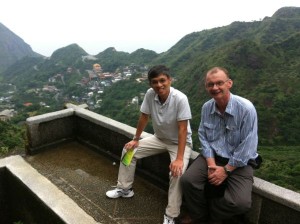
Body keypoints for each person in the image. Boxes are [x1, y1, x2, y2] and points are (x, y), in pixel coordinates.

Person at [106, 65, 193, 224]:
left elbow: (183, 129)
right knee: (128, 151)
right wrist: (136, 139)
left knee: (177, 172)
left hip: (179, 143)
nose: (159, 85)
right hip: (159, 138)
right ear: (150, 84)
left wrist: (179, 158)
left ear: (169, 80)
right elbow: (144, 117)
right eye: (155, 82)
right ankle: (125, 189)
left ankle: (171, 214)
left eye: (162, 81)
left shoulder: (180, 98)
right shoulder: (150, 95)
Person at [180, 67, 259, 224]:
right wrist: (210, 164)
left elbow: (248, 145)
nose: (215, 88)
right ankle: (199, 217)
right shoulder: (206, 107)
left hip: (239, 162)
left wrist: (225, 170)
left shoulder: (246, 109)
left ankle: (213, 215)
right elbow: (203, 135)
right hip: (213, 156)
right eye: (210, 84)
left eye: (219, 83)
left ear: (229, 83)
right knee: (188, 181)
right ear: (206, 87)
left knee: (240, 203)